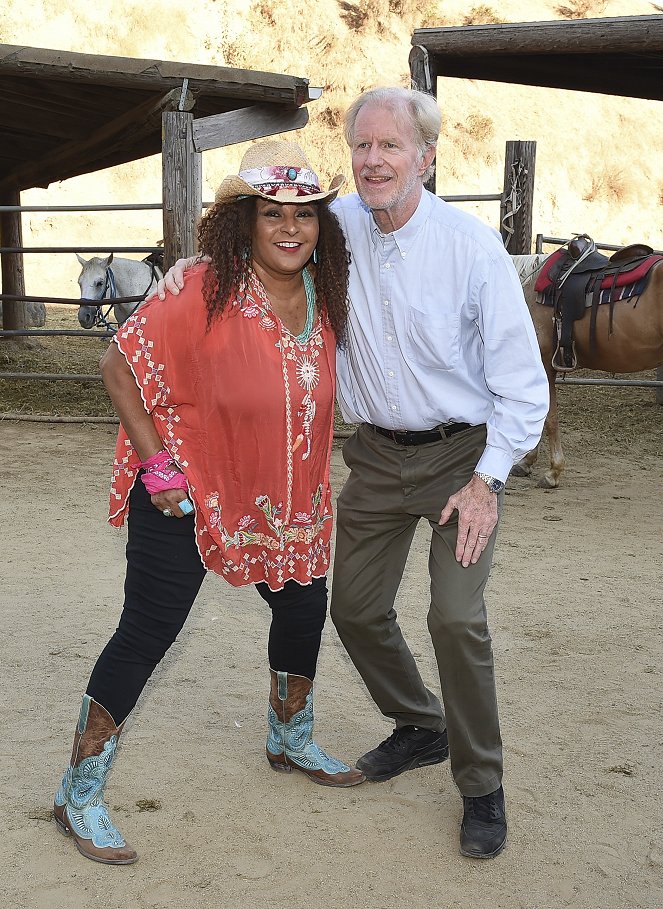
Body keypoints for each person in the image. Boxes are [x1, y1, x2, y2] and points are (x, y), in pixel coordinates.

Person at [158, 87, 550, 860]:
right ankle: (420, 723)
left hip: (459, 456)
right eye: (361, 147)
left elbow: (522, 384)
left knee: (455, 617)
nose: (372, 161)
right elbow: (260, 229)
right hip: (374, 455)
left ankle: (481, 786)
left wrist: (487, 479)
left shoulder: (469, 249)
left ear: (425, 159)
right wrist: (193, 267)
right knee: (356, 612)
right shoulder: (333, 230)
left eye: (390, 147)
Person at [53, 140, 365, 867]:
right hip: (185, 493)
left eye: (304, 214)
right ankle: (77, 792)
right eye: (271, 213)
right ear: (243, 220)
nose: (290, 228)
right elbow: (118, 364)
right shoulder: (201, 284)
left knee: (300, 607)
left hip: (288, 502)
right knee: (148, 631)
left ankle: (287, 737)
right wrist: (157, 465)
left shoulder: (328, 291)